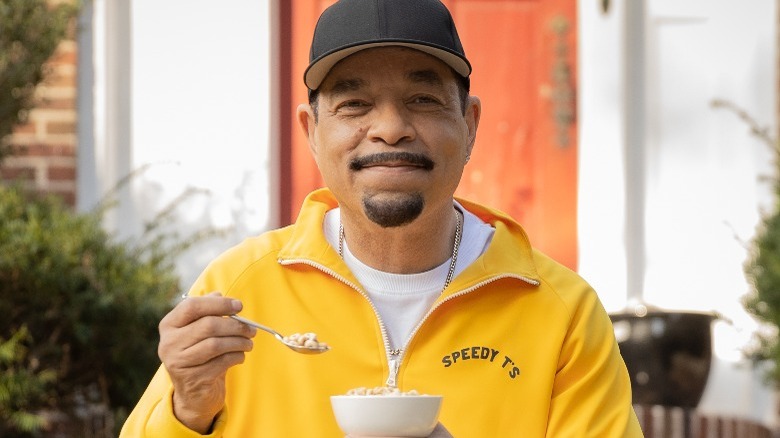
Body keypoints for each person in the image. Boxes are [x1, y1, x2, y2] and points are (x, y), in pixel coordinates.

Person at [121, 0, 643, 436]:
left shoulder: (562, 315)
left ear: (470, 124)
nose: (391, 128)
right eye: (354, 104)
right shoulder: (241, 291)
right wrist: (187, 412)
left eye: (422, 99)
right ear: (311, 130)